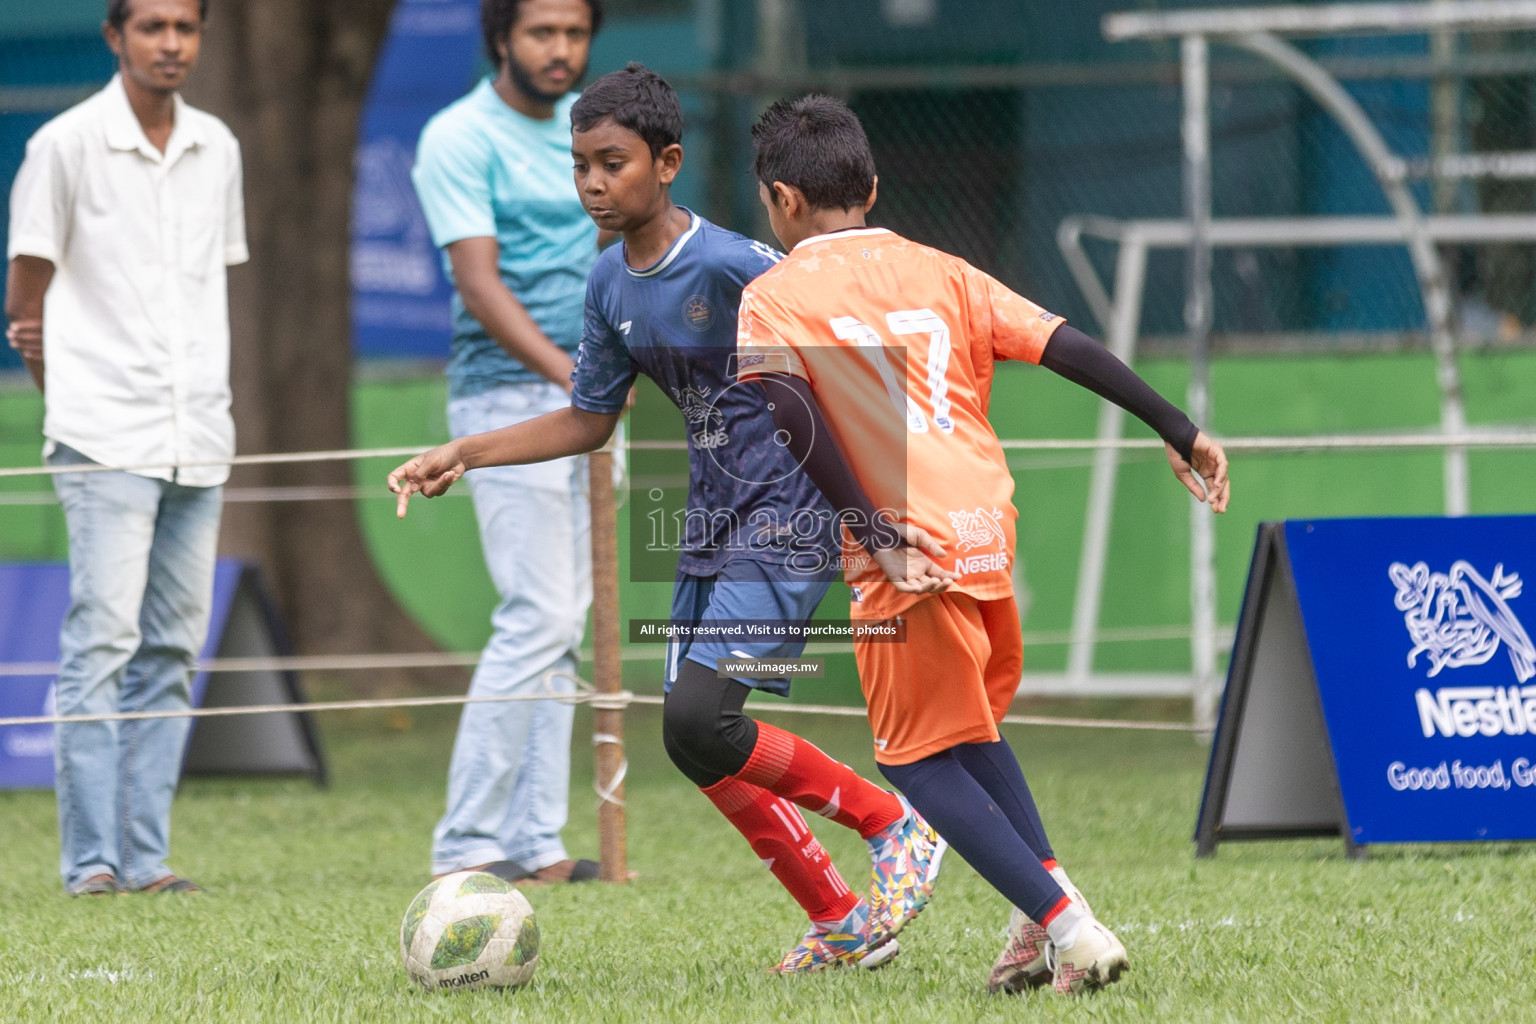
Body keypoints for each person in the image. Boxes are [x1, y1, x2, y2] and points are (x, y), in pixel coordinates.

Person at [390, 64, 945, 973]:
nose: (594, 184)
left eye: (613, 162)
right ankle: (841, 920)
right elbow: (589, 419)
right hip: (712, 523)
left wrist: (882, 506)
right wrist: (466, 451)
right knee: (696, 741)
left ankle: (894, 824)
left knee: (699, 715)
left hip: (791, 515)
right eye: (580, 167)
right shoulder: (609, 282)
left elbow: (845, 347)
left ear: (668, 162)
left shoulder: (734, 264)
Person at [734, 94, 1231, 995]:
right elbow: (1065, 344)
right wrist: (1177, 424)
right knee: (969, 733)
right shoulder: (943, 269)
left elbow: (791, 412)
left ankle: (1072, 932)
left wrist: (877, 534)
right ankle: (1034, 926)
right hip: (984, 528)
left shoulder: (772, 296)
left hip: (908, 546)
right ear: (872, 185)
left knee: (914, 759)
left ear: (780, 199)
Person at [3, 0, 243, 896]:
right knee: (101, 641)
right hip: (102, 434)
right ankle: (90, 864)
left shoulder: (218, 146)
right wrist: (72, 403)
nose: (170, 43)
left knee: (172, 649)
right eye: (151, 27)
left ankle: (147, 860)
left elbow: (209, 286)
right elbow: (25, 303)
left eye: (185, 27)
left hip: (199, 434)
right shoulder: (62, 145)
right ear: (115, 37)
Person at [408, 0, 611, 885]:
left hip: (591, 395)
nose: (561, 49)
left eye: (574, 33)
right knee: (536, 611)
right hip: (507, 390)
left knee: (564, 621)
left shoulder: (594, 140)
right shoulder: (458, 135)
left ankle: (535, 845)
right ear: (501, 39)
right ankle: (467, 845)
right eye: (542, 33)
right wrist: (577, 379)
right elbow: (479, 284)